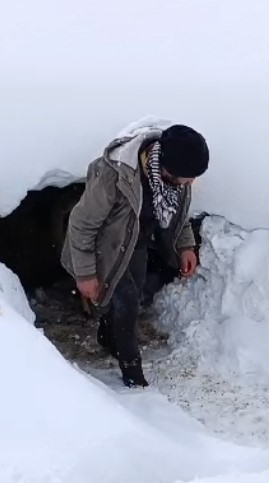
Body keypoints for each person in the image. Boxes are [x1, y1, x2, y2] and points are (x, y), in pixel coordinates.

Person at [60, 121, 209, 387]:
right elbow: (81, 224)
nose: (192, 183)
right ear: (166, 168)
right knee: (126, 303)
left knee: (135, 294)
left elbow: (179, 215)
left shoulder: (175, 180)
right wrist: (85, 274)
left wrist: (185, 246)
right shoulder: (114, 175)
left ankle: (107, 337)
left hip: (137, 243)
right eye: (188, 178)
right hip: (105, 247)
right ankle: (132, 372)